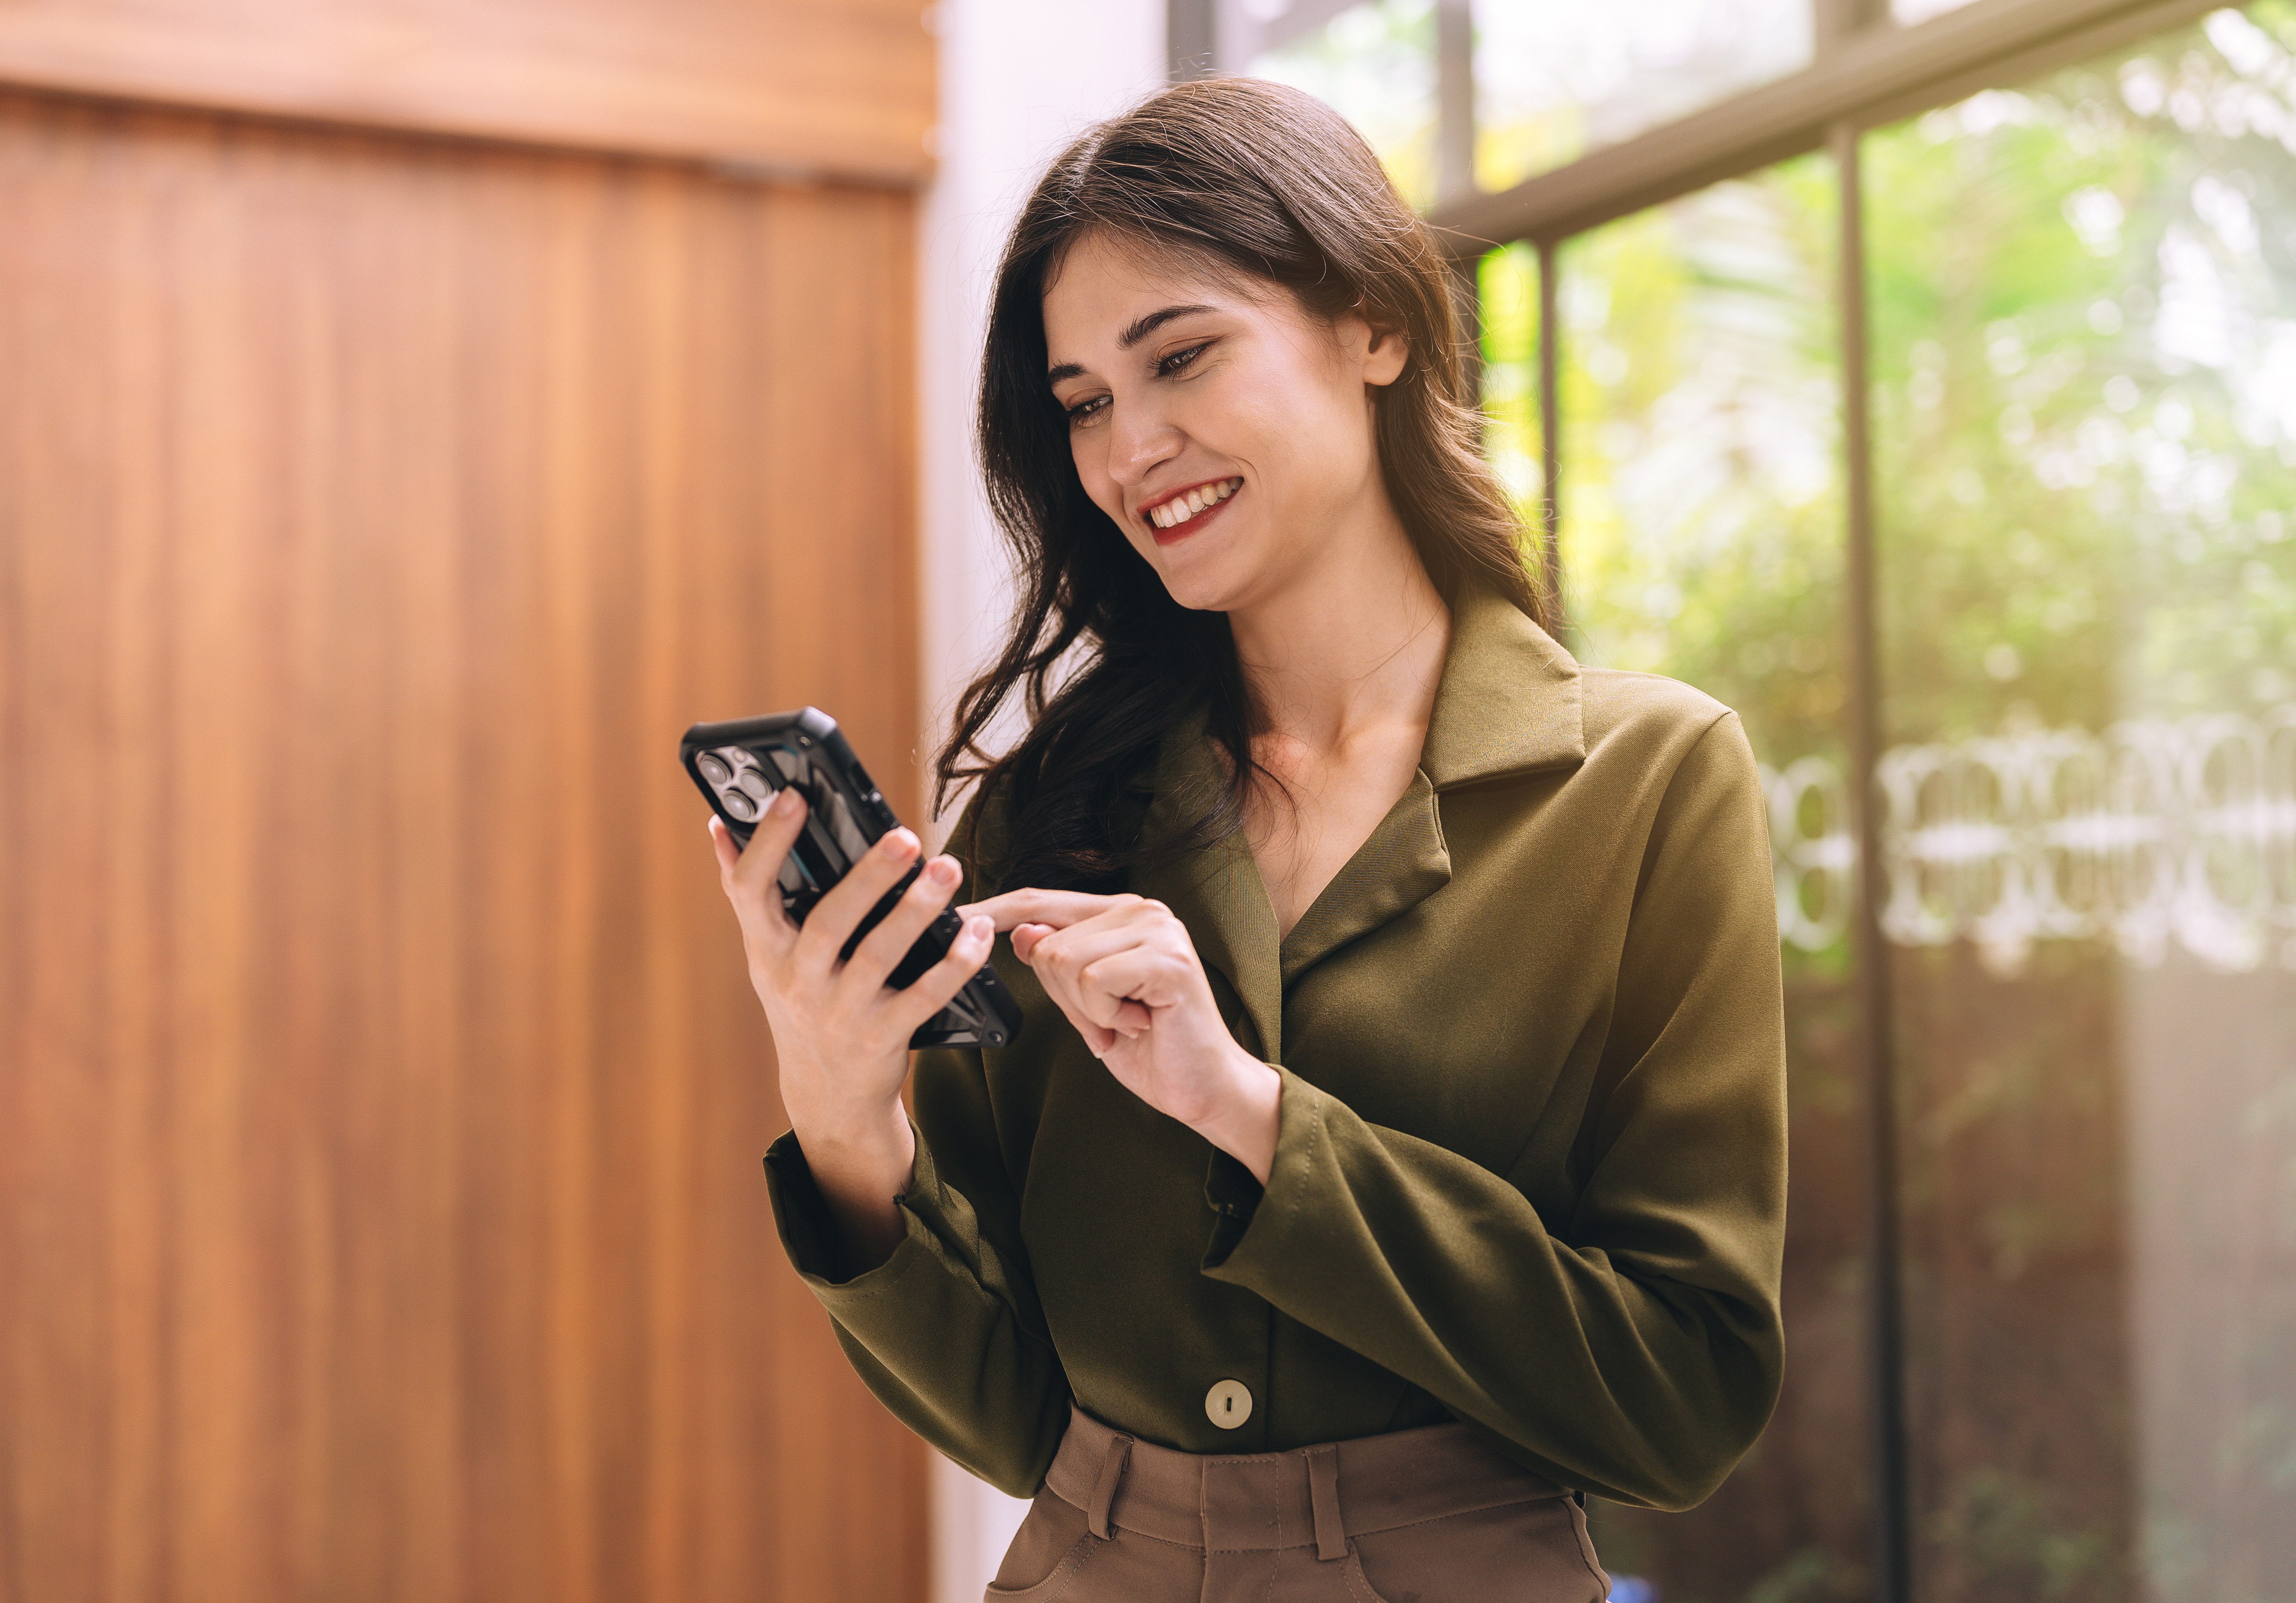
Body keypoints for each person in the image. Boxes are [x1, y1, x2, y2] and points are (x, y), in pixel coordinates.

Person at [707, 76, 1787, 1603]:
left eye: (1183, 356)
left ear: (1376, 328)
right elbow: (1017, 1418)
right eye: (1082, 402)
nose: (1131, 447)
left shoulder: (1645, 783)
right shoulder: (1054, 813)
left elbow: (1686, 1400)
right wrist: (840, 1120)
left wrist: (1251, 1113)